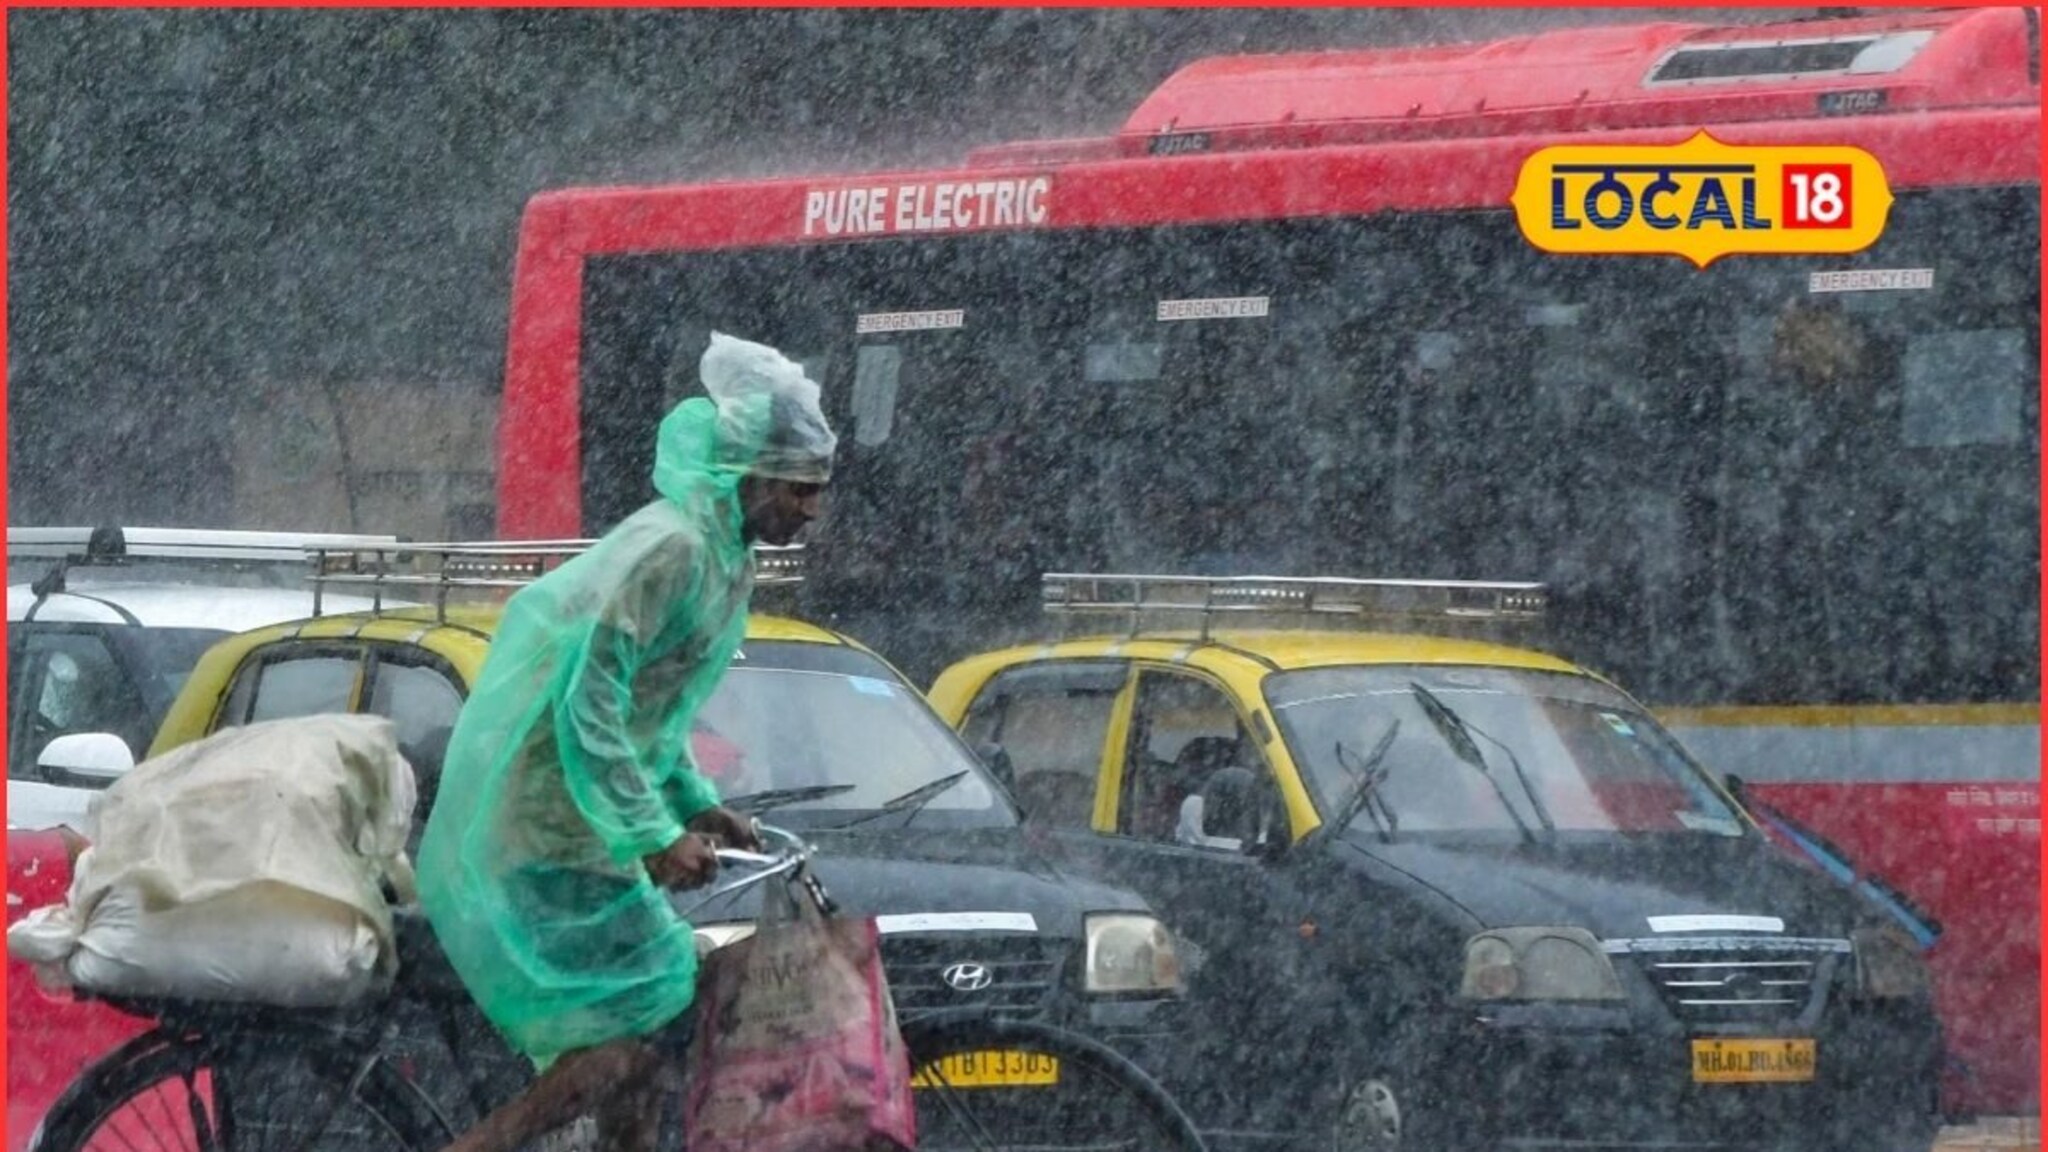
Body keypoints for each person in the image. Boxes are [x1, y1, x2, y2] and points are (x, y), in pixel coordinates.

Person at [414, 332, 838, 1152]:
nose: (811, 509)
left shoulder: (724, 558)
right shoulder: (671, 550)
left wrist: (697, 807)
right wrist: (654, 835)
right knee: (633, 1031)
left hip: (584, 820)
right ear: (746, 475)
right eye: (799, 487)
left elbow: (657, 712)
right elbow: (590, 705)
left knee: (647, 1057)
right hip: (548, 822)